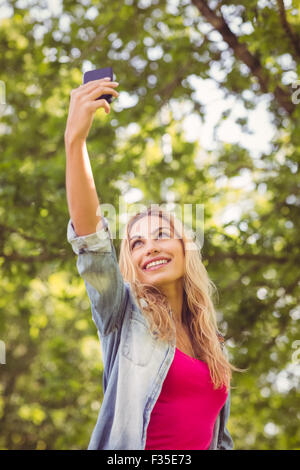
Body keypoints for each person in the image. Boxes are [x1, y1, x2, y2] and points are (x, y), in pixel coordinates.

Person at [65, 77, 241, 450]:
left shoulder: (212, 341)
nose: (150, 247)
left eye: (161, 235)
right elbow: (92, 243)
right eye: (137, 243)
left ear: (184, 247)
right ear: (131, 261)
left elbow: (218, 440)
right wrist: (75, 142)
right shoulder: (122, 314)